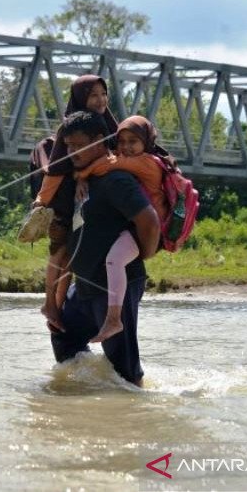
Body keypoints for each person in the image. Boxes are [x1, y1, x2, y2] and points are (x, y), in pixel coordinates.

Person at [48, 111, 160, 387]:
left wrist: (143, 254)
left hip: (114, 288)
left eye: (78, 145)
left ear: (99, 141)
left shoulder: (117, 179)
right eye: (68, 146)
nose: (71, 151)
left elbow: (149, 221)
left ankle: (133, 406)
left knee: (125, 368)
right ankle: (87, 390)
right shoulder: (81, 179)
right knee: (63, 332)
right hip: (85, 287)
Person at [28, 75, 120, 331]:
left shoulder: (106, 124)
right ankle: (50, 304)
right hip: (64, 202)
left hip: (85, 202)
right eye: (93, 95)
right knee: (60, 252)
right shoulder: (69, 126)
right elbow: (56, 169)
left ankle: (56, 308)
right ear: (81, 98)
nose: (100, 100)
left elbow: (113, 153)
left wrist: (85, 175)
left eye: (103, 94)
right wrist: (41, 203)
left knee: (71, 256)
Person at [74, 115, 170, 343]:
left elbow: (109, 163)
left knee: (114, 261)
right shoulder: (139, 159)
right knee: (114, 259)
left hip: (150, 230)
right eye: (121, 141)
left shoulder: (147, 162)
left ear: (146, 143)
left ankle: (114, 319)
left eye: (133, 141)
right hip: (139, 228)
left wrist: (81, 175)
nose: (125, 147)